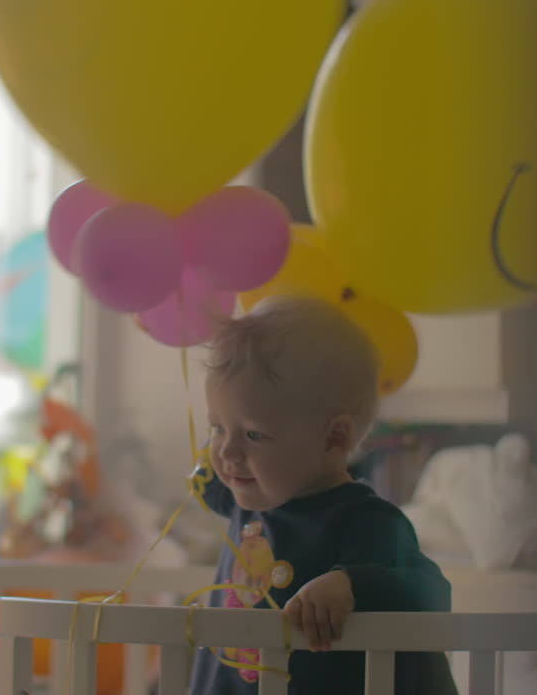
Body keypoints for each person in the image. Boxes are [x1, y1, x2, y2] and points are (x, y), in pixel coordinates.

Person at [187, 296, 458, 694]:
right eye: (217, 428)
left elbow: (429, 589)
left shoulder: (364, 521)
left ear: (334, 438)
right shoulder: (250, 501)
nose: (228, 452)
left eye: (252, 434)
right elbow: (208, 481)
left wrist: (349, 584)